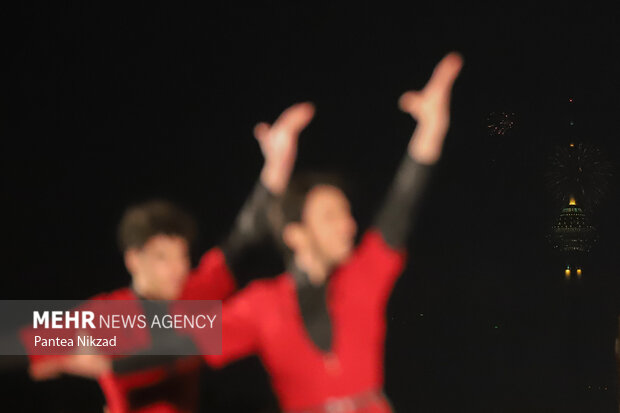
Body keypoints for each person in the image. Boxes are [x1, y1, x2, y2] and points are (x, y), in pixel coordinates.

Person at [199, 52, 463, 412]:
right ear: (296, 234)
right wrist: (97, 327)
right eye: (330, 216)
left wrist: (431, 129)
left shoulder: (361, 277)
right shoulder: (262, 306)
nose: (348, 224)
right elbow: (185, 331)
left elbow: (399, 210)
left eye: (347, 214)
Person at [19, 102, 315, 413]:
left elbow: (244, 242)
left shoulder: (196, 292)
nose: (177, 268)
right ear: (134, 259)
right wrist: (71, 358)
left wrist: (277, 166)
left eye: (182, 256)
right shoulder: (105, 314)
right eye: (163, 258)